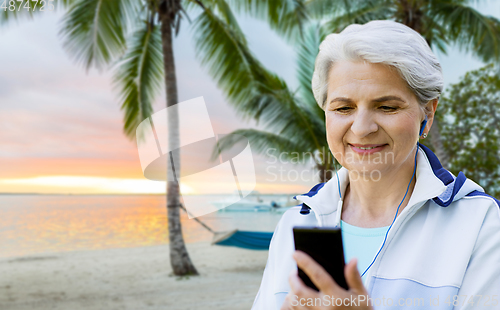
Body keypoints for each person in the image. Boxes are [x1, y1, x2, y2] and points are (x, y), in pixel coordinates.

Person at [251, 20, 500, 310]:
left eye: (387, 107)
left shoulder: (481, 225)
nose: (362, 128)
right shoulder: (296, 222)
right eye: (344, 108)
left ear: (427, 114)